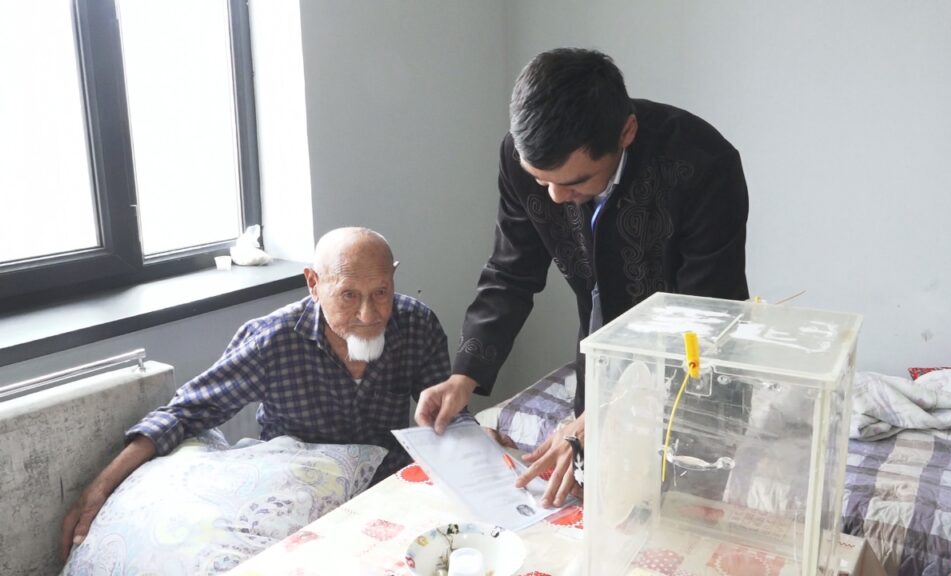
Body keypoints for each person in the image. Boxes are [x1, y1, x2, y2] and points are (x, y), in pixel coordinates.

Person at [416, 48, 749, 508]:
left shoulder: (703, 165)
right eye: (541, 180)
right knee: (597, 506)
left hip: (695, 377)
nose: (555, 197)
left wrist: (606, 416)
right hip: (600, 362)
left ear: (625, 133)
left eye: (576, 181)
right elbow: (511, 271)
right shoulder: (518, 156)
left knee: (683, 513)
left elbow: (706, 317)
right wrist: (464, 376)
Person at [61, 227, 459, 560]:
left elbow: (447, 416)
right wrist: (101, 487)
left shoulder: (416, 325)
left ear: (393, 278)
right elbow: (186, 412)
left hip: (388, 494)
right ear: (313, 284)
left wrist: (471, 435)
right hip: (301, 506)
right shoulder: (273, 341)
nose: (369, 315)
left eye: (381, 292)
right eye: (349, 295)